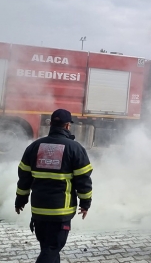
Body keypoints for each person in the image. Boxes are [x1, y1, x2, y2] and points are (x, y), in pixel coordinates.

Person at [15, 109, 93, 263]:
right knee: (51, 249)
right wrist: (85, 204)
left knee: (48, 248)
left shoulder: (34, 146)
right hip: (60, 212)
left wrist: (20, 200)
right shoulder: (74, 148)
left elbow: (24, 178)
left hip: (38, 210)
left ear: (50, 124)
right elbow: (83, 180)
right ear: (67, 126)